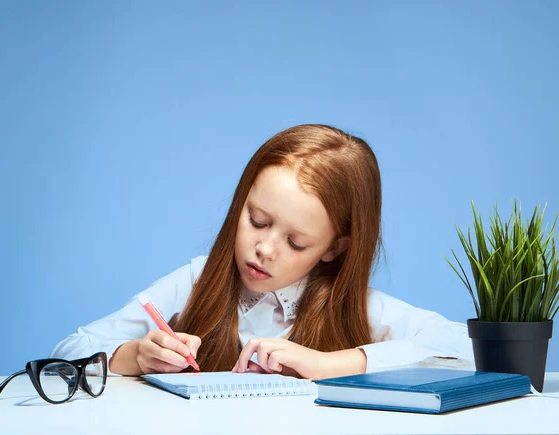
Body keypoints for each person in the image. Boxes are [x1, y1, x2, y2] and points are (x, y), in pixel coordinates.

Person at [51, 124, 472, 379]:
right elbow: (69, 350)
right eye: (256, 220)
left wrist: (332, 364)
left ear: (335, 248)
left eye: (296, 242)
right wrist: (134, 356)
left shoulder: (356, 307)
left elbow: (471, 350)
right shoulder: (195, 283)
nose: (264, 249)